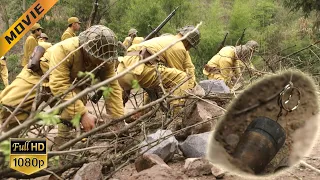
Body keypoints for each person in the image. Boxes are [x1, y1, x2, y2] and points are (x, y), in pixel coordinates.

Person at [0, 25, 124, 141]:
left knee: (71, 116)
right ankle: (9, 149)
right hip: (39, 75)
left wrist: (118, 120)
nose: (100, 62)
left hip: (71, 85)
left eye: (103, 59)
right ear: (86, 49)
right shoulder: (66, 49)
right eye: (96, 57)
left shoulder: (106, 58)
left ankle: (61, 152)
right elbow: (59, 84)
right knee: (10, 107)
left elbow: (112, 87)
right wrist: (83, 113)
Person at [117, 25, 200, 109]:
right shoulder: (179, 47)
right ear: (188, 42)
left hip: (123, 68)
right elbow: (176, 80)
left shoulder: (167, 38)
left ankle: (138, 113)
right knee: (182, 78)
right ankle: (176, 114)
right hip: (138, 70)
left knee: (157, 79)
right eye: (190, 46)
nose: (188, 49)